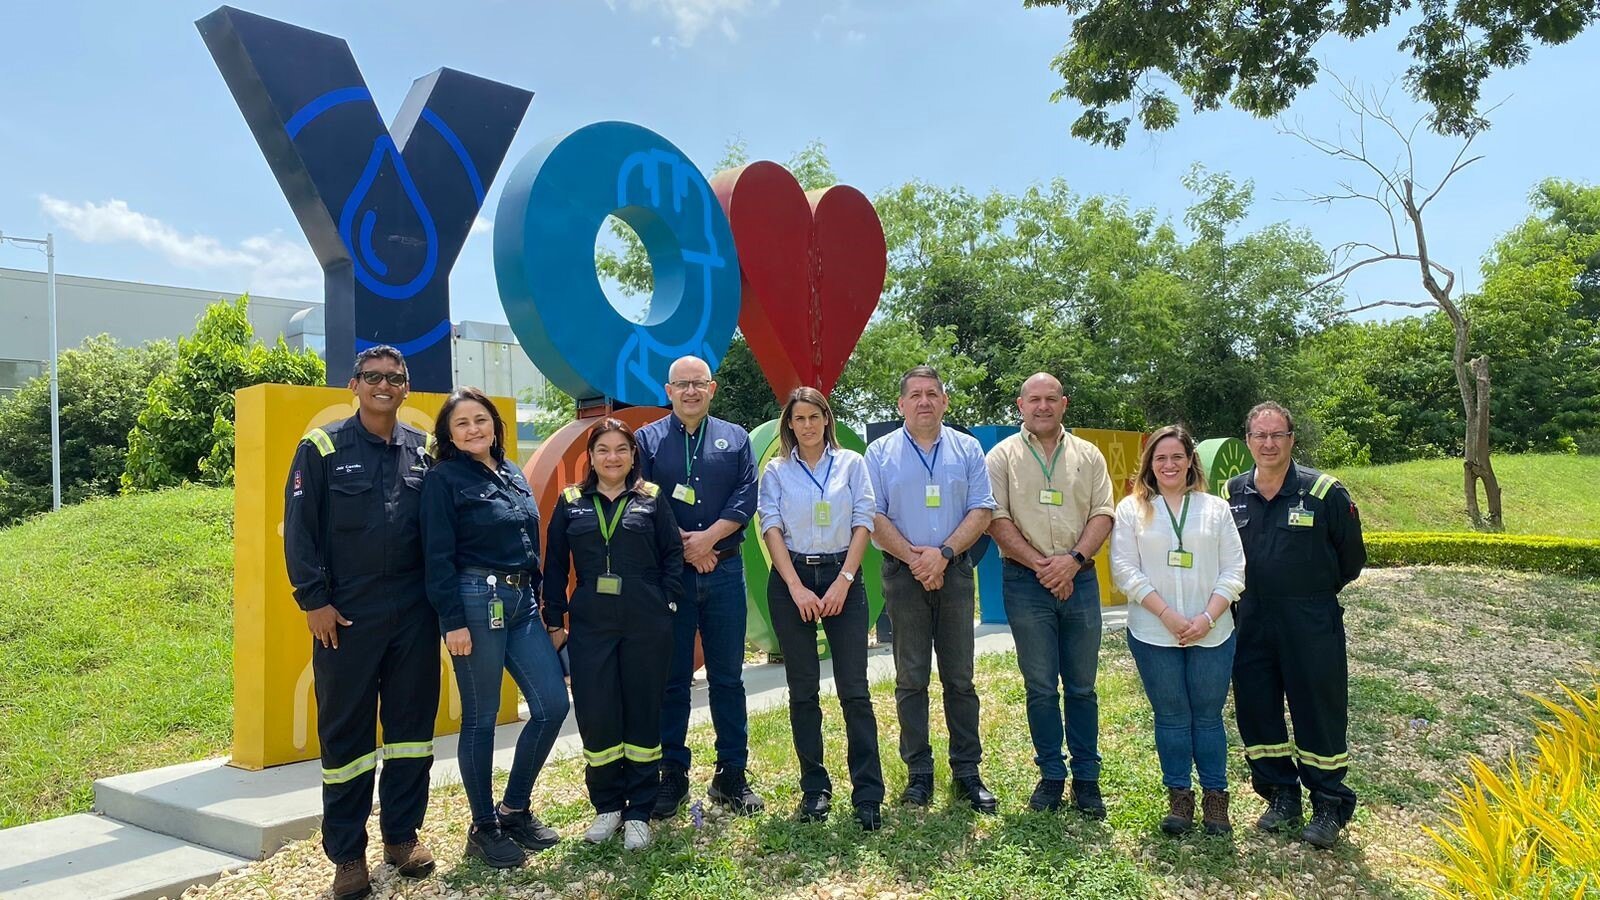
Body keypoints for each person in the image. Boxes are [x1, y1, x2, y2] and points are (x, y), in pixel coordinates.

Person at [282, 346, 439, 900]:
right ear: (354, 384)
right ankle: (347, 855)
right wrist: (313, 600)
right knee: (346, 736)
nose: (384, 385)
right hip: (345, 617)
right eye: (373, 377)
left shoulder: (425, 452)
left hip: (414, 616)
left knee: (411, 734)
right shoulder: (321, 447)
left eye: (394, 378)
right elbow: (299, 530)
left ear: (406, 387)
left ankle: (400, 836)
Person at [420, 387, 570, 868]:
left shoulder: (511, 472)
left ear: (495, 425)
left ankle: (514, 809)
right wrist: (453, 622)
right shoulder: (444, 479)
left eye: (480, 420)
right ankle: (483, 826)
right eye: (461, 423)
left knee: (551, 705)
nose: (473, 429)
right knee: (482, 718)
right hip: (475, 600)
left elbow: (530, 540)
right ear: (448, 433)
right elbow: (436, 556)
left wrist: (546, 605)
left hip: (522, 601)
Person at [1223, 402, 1365, 848]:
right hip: (1250, 618)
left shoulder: (1323, 491)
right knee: (1257, 707)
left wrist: (1311, 592)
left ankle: (1328, 802)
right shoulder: (1232, 493)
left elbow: (1351, 558)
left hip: (1310, 618)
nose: (1268, 443)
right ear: (1247, 441)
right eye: (1259, 435)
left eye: (1277, 435)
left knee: (1317, 708)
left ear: (1291, 440)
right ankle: (1280, 794)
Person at [544, 419, 685, 850]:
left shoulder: (653, 498)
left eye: (621, 449)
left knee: (643, 710)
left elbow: (672, 555)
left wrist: (666, 602)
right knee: (597, 712)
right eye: (603, 449)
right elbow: (553, 567)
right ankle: (607, 806)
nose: (613, 457)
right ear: (591, 457)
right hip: (591, 625)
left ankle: (639, 810)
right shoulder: (571, 502)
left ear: (632, 455)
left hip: (646, 622)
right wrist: (555, 621)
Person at [865, 365, 999, 813]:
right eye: (915, 395)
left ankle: (967, 771)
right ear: (901, 405)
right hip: (903, 576)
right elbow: (874, 517)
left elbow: (982, 509)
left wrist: (941, 554)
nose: (924, 401)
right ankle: (918, 773)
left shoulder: (968, 448)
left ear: (944, 401)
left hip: (956, 571)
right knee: (911, 677)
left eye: (932, 394)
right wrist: (916, 559)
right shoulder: (879, 453)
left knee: (960, 677)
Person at [635, 356, 765, 818]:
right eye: (681, 384)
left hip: (725, 570)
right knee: (672, 680)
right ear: (668, 391)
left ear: (712, 389)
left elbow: (747, 494)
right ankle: (673, 774)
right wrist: (686, 547)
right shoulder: (646, 440)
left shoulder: (737, 437)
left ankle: (731, 774)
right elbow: (641, 497)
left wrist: (709, 538)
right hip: (671, 574)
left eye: (699, 384)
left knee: (728, 677)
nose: (690, 391)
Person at [985, 372, 1115, 818]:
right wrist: (1043, 565)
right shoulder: (1001, 456)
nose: (1042, 406)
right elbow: (995, 518)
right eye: (1033, 399)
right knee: (1040, 687)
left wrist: (1072, 561)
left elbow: (1103, 513)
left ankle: (1087, 779)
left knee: (1081, 687)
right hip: (1025, 582)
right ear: (1020, 406)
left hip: (1079, 578)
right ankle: (1051, 775)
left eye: (1050, 399)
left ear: (1064, 403)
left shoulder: (1089, 456)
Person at [758, 388, 885, 831]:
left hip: (843, 578)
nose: (808, 425)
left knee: (855, 690)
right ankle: (814, 788)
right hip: (792, 581)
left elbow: (863, 520)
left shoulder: (852, 463)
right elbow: (770, 525)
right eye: (799, 419)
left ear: (827, 419)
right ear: (789, 425)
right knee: (803, 691)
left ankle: (868, 793)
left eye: (815, 416)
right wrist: (796, 587)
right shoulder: (775, 471)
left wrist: (844, 582)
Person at [1110, 425, 1245, 835]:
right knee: (1170, 716)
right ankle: (1179, 798)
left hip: (1213, 631)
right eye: (1160, 458)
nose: (1169, 465)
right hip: (1154, 631)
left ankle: (1216, 799)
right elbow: (1124, 570)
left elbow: (1235, 569)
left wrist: (1206, 617)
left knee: (1207, 717)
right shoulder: (1131, 510)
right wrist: (1168, 614)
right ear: (1150, 464)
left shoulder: (1214, 509)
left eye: (1177, 457)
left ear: (1190, 462)